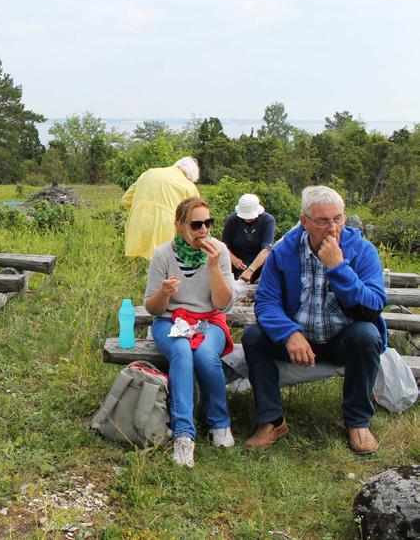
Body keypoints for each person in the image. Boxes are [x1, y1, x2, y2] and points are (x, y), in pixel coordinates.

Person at [242, 186, 386, 454]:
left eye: (338, 218)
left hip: (340, 339)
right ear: (305, 221)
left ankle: (356, 421)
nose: (333, 228)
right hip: (299, 338)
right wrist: (289, 333)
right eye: (323, 221)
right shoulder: (284, 251)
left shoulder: (362, 250)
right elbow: (267, 301)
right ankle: (272, 421)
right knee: (254, 337)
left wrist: (338, 268)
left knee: (366, 335)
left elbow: (373, 306)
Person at [144, 197, 236, 468]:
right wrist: (164, 292)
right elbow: (153, 308)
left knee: (206, 354)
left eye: (208, 223)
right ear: (179, 225)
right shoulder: (163, 254)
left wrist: (214, 266)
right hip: (170, 320)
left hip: (209, 319)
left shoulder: (219, 251)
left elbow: (223, 304)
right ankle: (184, 434)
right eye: (196, 225)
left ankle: (220, 422)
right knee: (182, 351)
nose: (204, 231)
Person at [122, 157, 200, 260]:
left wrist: (139, 212)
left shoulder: (149, 173)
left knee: (137, 264)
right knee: (162, 265)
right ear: (191, 176)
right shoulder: (189, 186)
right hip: (164, 229)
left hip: (138, 223)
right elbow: (197, 216)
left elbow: (126, 199)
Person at [221, 193, 276, 283]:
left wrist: (250, 270)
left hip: (260, 265)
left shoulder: (267, 220)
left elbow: (266, 249)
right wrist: (234, 260)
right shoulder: (232, 220)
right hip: (237, 266)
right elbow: (224, 246)